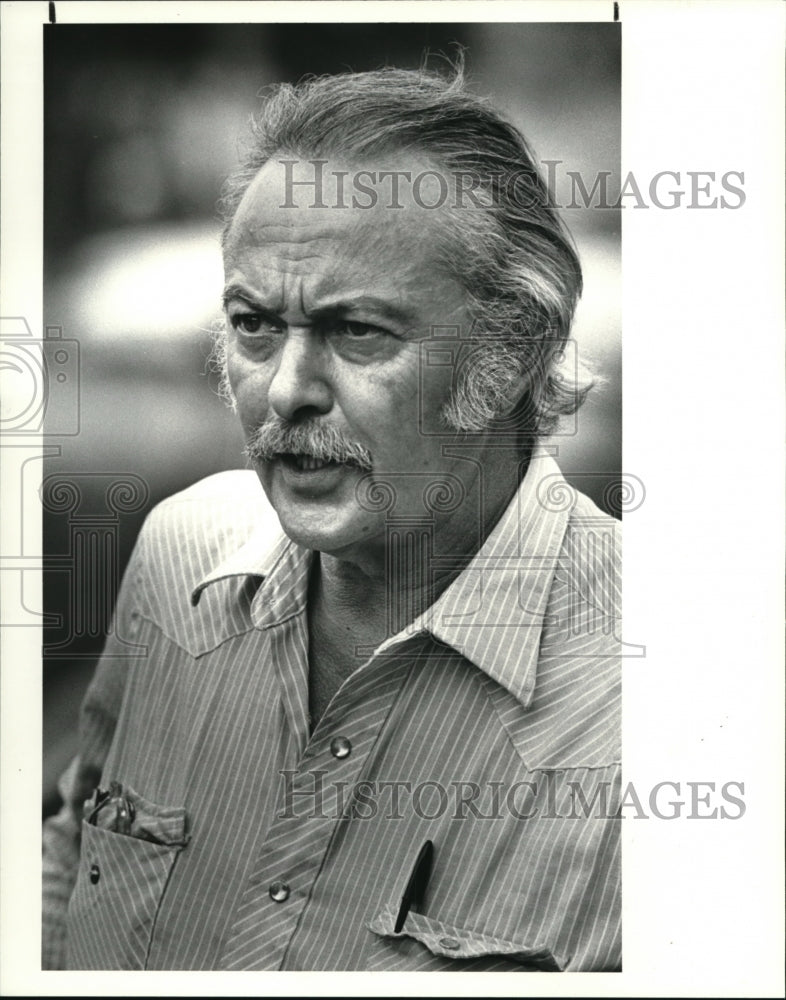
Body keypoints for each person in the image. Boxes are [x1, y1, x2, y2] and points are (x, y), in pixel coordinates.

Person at [42, 64, 621, 972]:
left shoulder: (657, 700)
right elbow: (72, 857)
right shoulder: (177, 555)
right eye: (253, 325)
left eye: (360, 333)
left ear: (511, 358)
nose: (286, 391)